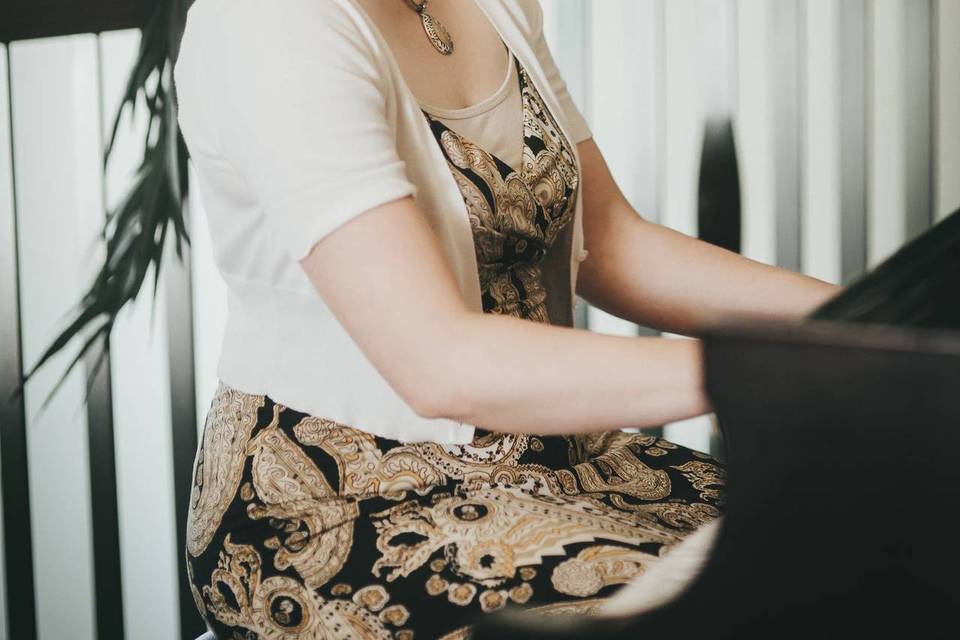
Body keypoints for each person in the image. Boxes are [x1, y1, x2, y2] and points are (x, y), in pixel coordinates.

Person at [173, 0, 839, 637]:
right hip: (348, 506)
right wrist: (766, 369)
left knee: (846, 536)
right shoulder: (268, 23)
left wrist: (855, 321)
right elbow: (440, 363)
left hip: (556, 458)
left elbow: (608, 242)